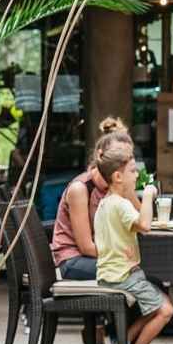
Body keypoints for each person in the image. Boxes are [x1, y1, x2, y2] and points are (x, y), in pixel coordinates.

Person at [92, 144, 173, 344]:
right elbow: (145, 225)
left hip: (112, 273)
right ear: (118, 176)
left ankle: (120, 340)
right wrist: (147, 195)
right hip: (123, 276)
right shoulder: (120, 204)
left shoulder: (107, 203)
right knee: (165, 310)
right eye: (133, 171)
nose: (137, 175)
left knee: (154, 304)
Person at [49, 117, 135, 280]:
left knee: (149, 280)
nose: (123, 164)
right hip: (72, 261)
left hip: (97, 258)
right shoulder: (80, 189)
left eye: (128, 159)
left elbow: (141, 224)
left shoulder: (114, 187)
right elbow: (86, 247)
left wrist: (129, 188)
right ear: (100, 155)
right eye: (118, 158)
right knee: (133, 276)